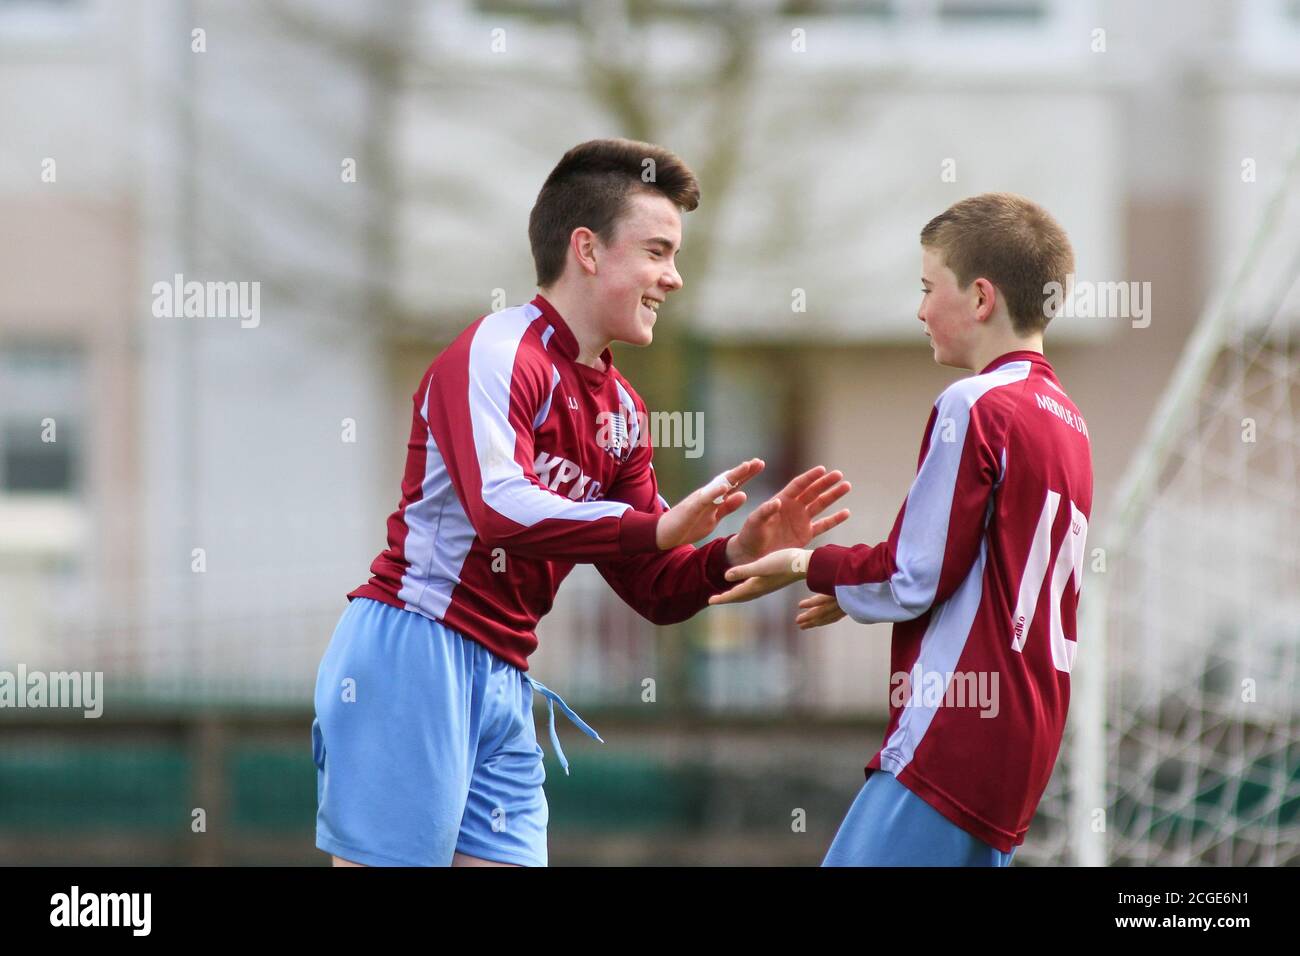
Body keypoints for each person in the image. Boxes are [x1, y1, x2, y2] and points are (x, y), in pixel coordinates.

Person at [312, 138, 851, 867]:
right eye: (657, 252)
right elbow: (500, 510)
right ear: (588, 250)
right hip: (416, 649)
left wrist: (731, 554)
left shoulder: (623, 407)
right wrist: (654, 527)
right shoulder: (498, 354)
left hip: (505, 675)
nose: (675, 278)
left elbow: (654, 587)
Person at [713, 193, 1094, 866]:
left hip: (953, 735)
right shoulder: (1068, 419)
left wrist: (806, 562)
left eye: (927, 288)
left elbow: (915, 573)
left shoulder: (976, 404)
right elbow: (970, 569)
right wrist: (858, 590)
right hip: (1022, 744)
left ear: (981, 298)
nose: (919, 311)